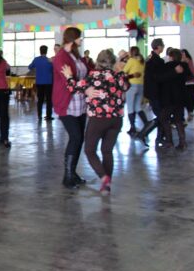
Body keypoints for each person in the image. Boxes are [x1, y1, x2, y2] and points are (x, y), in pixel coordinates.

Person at [61, 50, 129, 195]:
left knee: (90, 150)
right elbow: (125, 87)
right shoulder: (120, 76)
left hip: (98, 119)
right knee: (107, 151)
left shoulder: (93, 76)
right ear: (113, 62)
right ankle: (107, 185)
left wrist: (68, 76)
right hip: (116, 120)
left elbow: (74, 88)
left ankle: (103, 177)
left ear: (98, 61)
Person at [53, 27, 90, 189]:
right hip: (67, 103)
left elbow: (82, 76)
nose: (81, 40)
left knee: (79, 138)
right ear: (73, 39)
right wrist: (84, 87)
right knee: (75, 137)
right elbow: (69, 83)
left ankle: (72, 173)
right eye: (79, 38)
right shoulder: (61, 57)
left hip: (80, 102)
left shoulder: (76, 57)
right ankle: (67, 176)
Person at [136, 38, 185, 147]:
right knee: (161, 117)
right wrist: (173, 72)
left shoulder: (154, 60)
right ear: (159, 47)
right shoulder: (155, 61)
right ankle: (144, 134)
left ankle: (160, 138)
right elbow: (157, 78)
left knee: (162, 117)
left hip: (155, 93)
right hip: (155, 93)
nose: (163, 47)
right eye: (162, 45)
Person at [158, 49, 191, 150]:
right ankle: (182, 142)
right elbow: (188, 77)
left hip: (169, 97)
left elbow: (161, 79)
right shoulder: (185, 66)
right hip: (180, 97)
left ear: (171, 56)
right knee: (178, 120)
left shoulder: (166, 66)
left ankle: (169, 141)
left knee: (163, 118)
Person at [122, 46, 146, 135]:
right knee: (138, 107)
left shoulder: (131, 60)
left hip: (131, 85)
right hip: (141, 85)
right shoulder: (142, 61)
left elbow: (124, 72)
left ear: (131, 52)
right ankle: (146, 123)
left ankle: (132, 127)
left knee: (130, 107)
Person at [29, 45, 53, 122]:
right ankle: (48, 116)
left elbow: (30, 67)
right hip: (49, 82)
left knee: (40, 99)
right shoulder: (49, 60)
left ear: (40, 51)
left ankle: (39, 115)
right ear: (47, 51)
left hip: (39, 82)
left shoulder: (36, 59)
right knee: (49, 99)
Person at [181, 49, 194, 122]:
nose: (182, 55)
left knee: (190, 97)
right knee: (187, 98)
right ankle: (189, 112)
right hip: (185, 82)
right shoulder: (182, 61)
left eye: (183, 54)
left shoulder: (188, 60)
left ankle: (190, 112)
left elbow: (192, 71)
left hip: (190, 82)